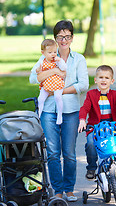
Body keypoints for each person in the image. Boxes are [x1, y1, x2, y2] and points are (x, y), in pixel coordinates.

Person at [29, 20, 89, 201]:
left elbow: (84, 84)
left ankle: (69, 189)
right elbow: (33, 78)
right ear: (55, 38)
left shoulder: (79, 59)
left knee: (69, 153)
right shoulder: (45, 56)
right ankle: (58, 190)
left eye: (67, 36)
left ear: (72, 38)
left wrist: (60, 90)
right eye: (60, 36)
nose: (64, 40)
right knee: (53, 153)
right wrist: (53, 70)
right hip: (48, 110)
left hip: (70, 110)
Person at [78, 65, 116, 186]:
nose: (103, 80)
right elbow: (85, 108)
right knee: (91, 144)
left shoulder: (115, 94)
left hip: (111, 127)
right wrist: (82, 120)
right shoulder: (91, 94)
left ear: (112, 81)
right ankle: (91, 167)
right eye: (101, 77)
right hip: (95, 127)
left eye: (107, 78)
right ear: (95, 80)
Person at [36, 39, 67, 124]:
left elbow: (64, 68)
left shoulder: (57, 61)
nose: (53, 54)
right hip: (46, 85)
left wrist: (60, 61)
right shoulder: (42, 61)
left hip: (57, 84)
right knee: (41, 98)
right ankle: (39, 114)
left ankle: (59, 115)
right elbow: (37, 71)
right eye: (50, 52)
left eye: (54, 51)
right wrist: (38, 70)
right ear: (43, 53)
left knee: (58, 97)